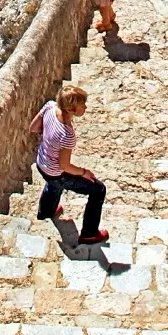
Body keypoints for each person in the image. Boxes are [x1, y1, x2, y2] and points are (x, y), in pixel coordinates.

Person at [31, 83, 108, 246]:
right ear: (70, 109)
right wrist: (84, 172)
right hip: (56, 172)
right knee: (98, 189)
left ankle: (46, 211)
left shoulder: (49, 106)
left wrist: (50, 138)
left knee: (53, 184)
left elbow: (34, 127)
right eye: (82, 105)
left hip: (41, 163)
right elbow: (64, 166)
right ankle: (89, 234)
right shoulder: (66, 134)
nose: (85, 107)